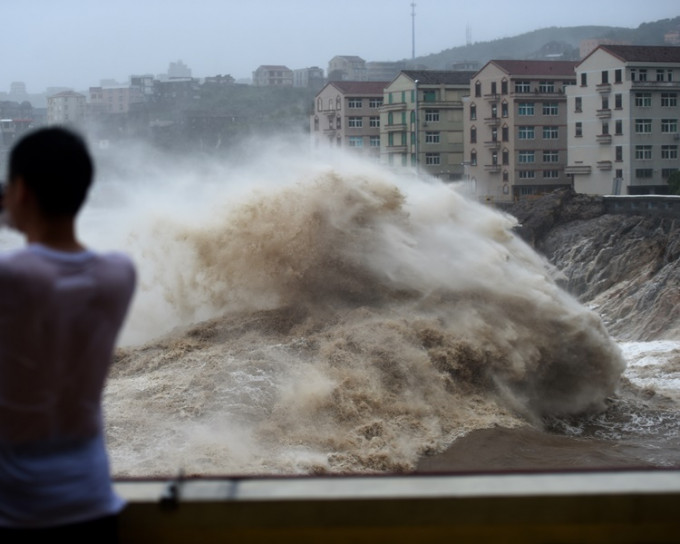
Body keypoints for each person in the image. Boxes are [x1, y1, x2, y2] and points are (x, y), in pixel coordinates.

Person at [0, 127, 136, 541]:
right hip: (91, 501)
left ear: (20, 190)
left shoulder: (13, 277)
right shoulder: (117, 275)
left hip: (16, 512)